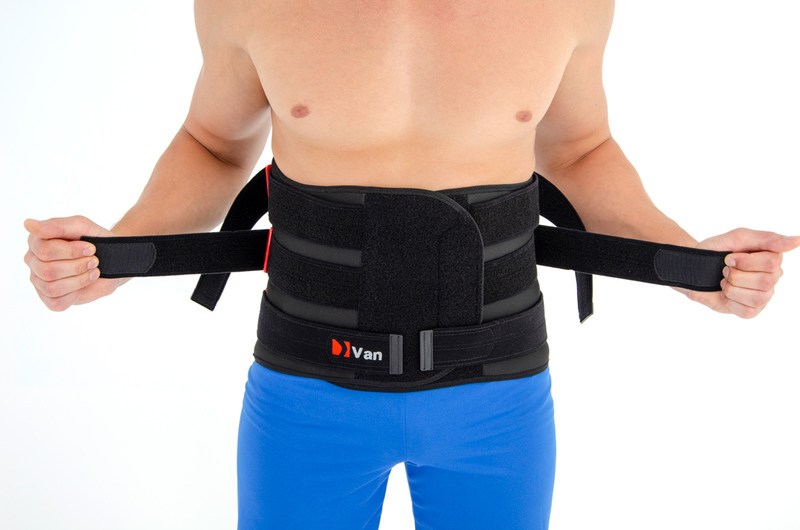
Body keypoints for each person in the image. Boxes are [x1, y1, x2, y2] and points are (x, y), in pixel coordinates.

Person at [22, 1, 798, 529]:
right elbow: (215, 143)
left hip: (496, 400)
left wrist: (688, 263)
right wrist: (120, 251)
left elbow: (581, 149)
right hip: (307, 395)